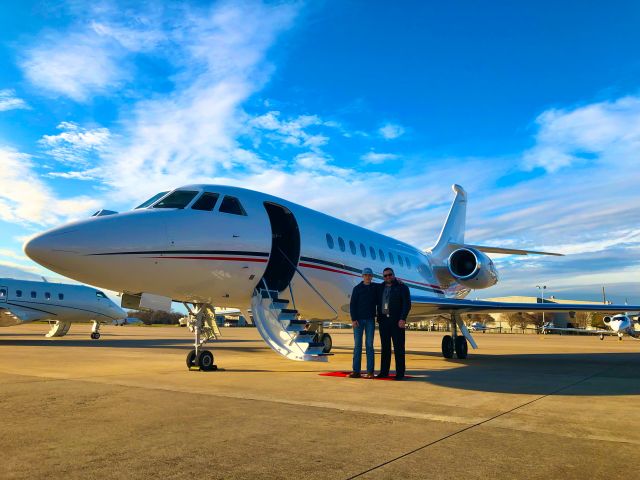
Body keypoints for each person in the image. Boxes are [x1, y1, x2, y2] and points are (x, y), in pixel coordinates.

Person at [377, 267, 411, 380]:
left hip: (397, 321)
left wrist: (403, 319)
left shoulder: (402, 287)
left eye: (389, 275)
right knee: (385, 348)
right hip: (383, 321)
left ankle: (400, 373)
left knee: (399, 348)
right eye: (385, 275)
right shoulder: (380, 287)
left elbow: (407, 304)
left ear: (394, 275)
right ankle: (384, 372)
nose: (388, 277)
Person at [348, 267, 377, 378]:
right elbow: (352, 305)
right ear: (362, 276)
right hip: (358, 321)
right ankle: (356, 371)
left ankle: (370, 372)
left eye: (369, 275)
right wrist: (353, 319)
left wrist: (398, 281)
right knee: (357, 346)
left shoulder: (375, 288)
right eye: (366, 275)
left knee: (369, 345)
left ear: (372, 277)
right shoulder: (357, 288)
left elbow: (386, 284)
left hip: (370, 320)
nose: (368, 277)